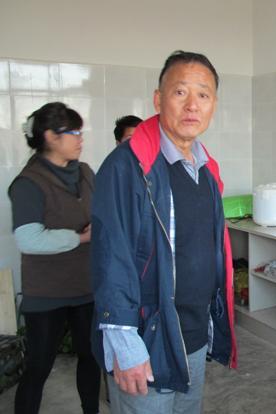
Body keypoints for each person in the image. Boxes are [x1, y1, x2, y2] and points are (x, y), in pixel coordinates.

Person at [90, 50, 237, 413]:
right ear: (158, 100)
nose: (192, 105)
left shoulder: (205, 169)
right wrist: (125, 344)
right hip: (147, 338)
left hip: (193, 335)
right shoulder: (128, 166)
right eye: (180, 92)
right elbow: (112, 257)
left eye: (203, 94)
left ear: (214, 105)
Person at [9, 102, 100, 414]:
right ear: (50, 136)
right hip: (47, 293)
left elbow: (101, 210)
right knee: (38, 367)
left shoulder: (85, 173)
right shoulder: (28, 183)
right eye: (73, 132)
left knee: (91, 358)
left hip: (86, 287)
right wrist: (81, 238)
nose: (80, 138)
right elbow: (29, 239)